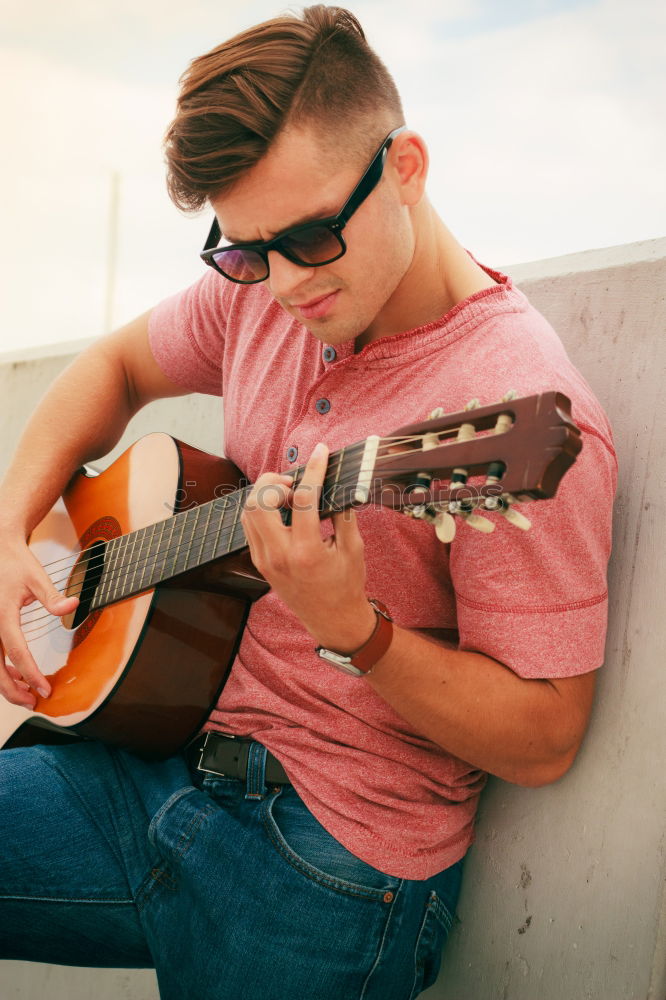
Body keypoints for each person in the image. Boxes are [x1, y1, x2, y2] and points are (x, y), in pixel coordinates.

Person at [0, 6, 616, 999]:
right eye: (242, 250)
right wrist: (10, 527)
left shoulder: (517, 411)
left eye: (310, 238)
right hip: (155, 761)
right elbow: (115, 365)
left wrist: (356, 631)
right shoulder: (263, 287)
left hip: (325, 859)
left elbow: (546, 735)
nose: (280, 283)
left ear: (406, 168)